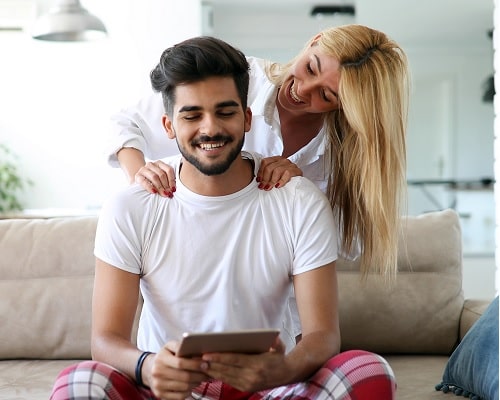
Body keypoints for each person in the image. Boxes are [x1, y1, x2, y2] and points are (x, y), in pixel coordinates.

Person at [50, 36, 396, 400]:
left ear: (247, 118)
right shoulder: (131, 206)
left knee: (368, 371)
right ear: (167, 126)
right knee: (80, 382)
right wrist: (148, 366)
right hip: (166, 389)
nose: (210, 128)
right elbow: (105, 340)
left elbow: (323, 332)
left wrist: (283, 369)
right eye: (192, 115)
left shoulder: (300, 198)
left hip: (266, 388)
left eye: (226, 112)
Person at [108, 24, 410, 282]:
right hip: (197, 267)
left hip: (280, 298)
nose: (303, 90)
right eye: (310, 68)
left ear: (347, 107)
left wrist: (298, 190)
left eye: (326, 95)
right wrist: (140, 178)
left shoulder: (341, 153)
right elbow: (125, 122)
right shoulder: (239, 79)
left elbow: (350, 244)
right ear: (314, 41)